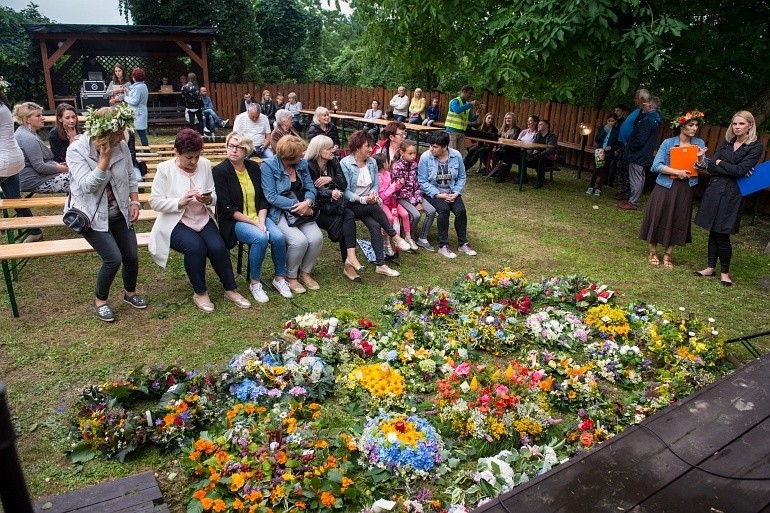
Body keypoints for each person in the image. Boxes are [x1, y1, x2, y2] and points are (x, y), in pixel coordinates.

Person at [149, 128, 252, 312]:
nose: (194, 161)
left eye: (197, 156)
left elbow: (213, 194)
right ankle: (200, 292)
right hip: (177, 222)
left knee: (218, 247)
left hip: (202, 218)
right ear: (177, 152)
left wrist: (209, 199)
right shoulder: (164, 169)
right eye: (189, 157)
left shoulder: (204, 164)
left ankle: (231, 289)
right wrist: (180, 202)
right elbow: (155, 202)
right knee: (196, 248)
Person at [66, 105, 147, 322]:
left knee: (131, 255)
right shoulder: (77, 150)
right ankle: (100, 301)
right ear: (104, 134)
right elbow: (86, 186)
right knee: (113, 258)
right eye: (119, 133)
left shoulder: (121, 146)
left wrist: (135, 202)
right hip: (90, 215)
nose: (123, 137)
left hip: (118, 210)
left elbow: (131, 176)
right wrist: (103, 162)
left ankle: (130, 293)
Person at [213, 132, 291, 302]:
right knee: (260, 238)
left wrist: (261, 221)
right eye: (230, 146)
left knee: (278, 237)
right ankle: (255, 283)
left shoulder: (254, 167)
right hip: (234, 220)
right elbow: (227, 208)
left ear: (246, 150)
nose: (233, 150)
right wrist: (254, 223)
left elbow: (263, 199)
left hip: (258, 216)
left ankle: (279, 278)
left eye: (238, 147)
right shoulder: (220, 171)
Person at [694, 111, 763, 286]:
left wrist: (720, 164)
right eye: (734, 124)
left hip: (733, 193)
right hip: (715, 189)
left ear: (750, 125)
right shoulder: (726, 143)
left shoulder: (755, 146)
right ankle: (710, 267)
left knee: (722, 232)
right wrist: (723, 166)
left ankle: (725, 272)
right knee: (712, 229)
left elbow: (740, 171)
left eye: (741, 124)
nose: (737, 127)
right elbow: (710, 166)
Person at [640, 110, 707, 270]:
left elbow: (703, 167)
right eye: (691, 125)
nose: (694, 128)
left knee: (678, 218)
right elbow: (656, 166)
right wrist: (677, 172)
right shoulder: (668, 143)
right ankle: (653, 251)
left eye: (696, 125)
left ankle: (669, 254)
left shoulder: (699, 143)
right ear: (681, 125)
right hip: (666, 185)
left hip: (686, 188)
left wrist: (699, 157)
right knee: (659, 215)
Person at [340, 130, 409, 276]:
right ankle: (394, 236)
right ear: (358, 147)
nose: (371, 150)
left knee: (375, 226)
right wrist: (364, 199)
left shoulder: (371, 162)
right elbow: (345, 191)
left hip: (368, 204)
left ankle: (381, 265)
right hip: (352, 204)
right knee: (373, 207)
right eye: (368, 146)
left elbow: (375, 185)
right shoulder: (345, 163)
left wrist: (373, 193)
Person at [260, 135, 324, 294]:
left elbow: (310, 188)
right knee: (299, 241)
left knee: (317, 238)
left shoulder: (301, 164)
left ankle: (305, 273)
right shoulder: (268, 166)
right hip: (279, 211)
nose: (303, 155)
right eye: (300, 153)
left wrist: (308, 203)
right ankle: (291, 277)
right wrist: (297, 206)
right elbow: (271, 196)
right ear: (289, 156)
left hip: (303, 208)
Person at [306, 135, 365, 282]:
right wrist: (329, 192)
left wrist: (331, 179)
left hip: (334, 206)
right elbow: (309, 191)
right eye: (328, 148)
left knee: (348, 215)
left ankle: (350, 260)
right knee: (347, 219)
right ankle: (349, 263)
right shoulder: (307, 165)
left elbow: (343, 184)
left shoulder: (333, 162)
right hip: (316, 209)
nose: (333, 150)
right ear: (319, 150)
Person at [418, 131, 476, 258]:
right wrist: (438, 195)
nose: (431, 149)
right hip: (433, 192)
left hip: (451, 191)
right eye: (430, 145)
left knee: (461, 211)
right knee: (443, 210)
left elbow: (461, 176)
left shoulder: (456, 156)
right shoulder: (425, 157)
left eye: (435, 147)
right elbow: (422, 181)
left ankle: (463, 244)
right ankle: (443, 246)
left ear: (445, 147)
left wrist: (456, 193)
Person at [0, 82, 40, 242]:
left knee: (13, 197)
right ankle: (35, 231)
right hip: (13, 158)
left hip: (4, 160)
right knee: (13, 197)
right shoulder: (3, 105)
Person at [13, 102, 69, 194]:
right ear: (27, 119)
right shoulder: (27, 138)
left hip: (36, 178)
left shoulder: (27, 133)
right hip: (35, 181)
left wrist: (58, 166)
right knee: (80, 181)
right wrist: (67, 169)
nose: (43, 118)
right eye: (38, 115)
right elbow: (40, 167)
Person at [392, 138, 437, 251]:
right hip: (401, 197)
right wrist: (415, 202)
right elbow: (401, 190)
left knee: (431, 211)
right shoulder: (397, 167)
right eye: (410, 153)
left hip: (415, 196)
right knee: (416, 215)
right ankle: (408, 238)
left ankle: (423, 238)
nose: (413, 156)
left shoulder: (414, 165)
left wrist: (419, 200)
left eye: (415, 153)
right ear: (402, 152)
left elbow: (417, 184)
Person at [620, 96, 663, 210]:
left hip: (638, 153)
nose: (642, 107)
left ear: (650, 106)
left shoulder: (648, 120)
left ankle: (633, 202)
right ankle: (633, 199)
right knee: (639, 177)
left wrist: (631, 147)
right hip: (643, 153)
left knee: (636, 177)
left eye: (644, 105)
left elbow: (641, 139)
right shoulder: (654, 118)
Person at [616, 89, 650, 201]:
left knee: (628, 170)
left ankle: (629, 194)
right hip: (625, 145)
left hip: (631, 146)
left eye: (636, 98)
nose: (634, 100)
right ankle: (624, 191)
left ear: (641, 99)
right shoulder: (638, 110)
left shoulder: (644, 113)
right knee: (622, 168)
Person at [375, 153, 413, 255]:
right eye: (387, 162)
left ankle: (408, 237)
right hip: (383, 203)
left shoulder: (387, 174)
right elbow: (381, 196)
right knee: (390, 219)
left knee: (405, 214)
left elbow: (393, 188)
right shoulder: (377, 178)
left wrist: (399, 184)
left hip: (392, 201)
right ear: (383, 164)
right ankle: (386, 242)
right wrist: (392, 188)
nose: (389, 163)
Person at [587, 114, 620, 197]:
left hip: (608, 153)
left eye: (612, 121)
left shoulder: (617, 131)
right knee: (596, 169)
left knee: (604, 171)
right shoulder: (602, 128)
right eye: (609, 121)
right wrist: (605, 131)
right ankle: (591, 187)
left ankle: (599, 188)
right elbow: (597, 139)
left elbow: (617, 144)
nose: (610, 123)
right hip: (600, 151)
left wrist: (611, 148)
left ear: (615, 122)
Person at [487, 112, 522, 182]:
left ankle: (501, 176)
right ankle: (495, 172)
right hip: (502, 148)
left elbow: (513, 141)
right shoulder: (502, 129)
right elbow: (497, 139)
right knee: (496, 153)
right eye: (506, 118)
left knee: (505, 154)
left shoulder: (516, 129)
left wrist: (502, 145)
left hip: (513, 150)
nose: (507, 119)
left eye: (509, 118)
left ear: (513, 119)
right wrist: (496, 147)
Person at [444, 85, 479, 152]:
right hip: (452, 131)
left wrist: (476, 115)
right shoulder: (455, 101)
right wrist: (470, 104)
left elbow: (471, 119)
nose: (470, 96)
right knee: (452, 154)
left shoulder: (467, 104)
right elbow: (457, 110)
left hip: (462, 132)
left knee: (459, 155)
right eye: (470, 93)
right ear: (464, 92)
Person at [527, 119, 558, 189]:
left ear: (547, 126)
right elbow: (533, 145)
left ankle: (539, 182)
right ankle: (523, 177)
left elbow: (550, 149)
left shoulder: (552, 136)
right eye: (538, 125)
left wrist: (538, 155)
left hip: (548, 158)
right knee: (523, 156)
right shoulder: (538, 135)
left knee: (540, 159)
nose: (538, 126)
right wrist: (531, 154)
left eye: (540, 124)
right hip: (536, 155)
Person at [123, 67, 149, 146]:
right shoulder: (143, 86)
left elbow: (135, 101)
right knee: (142, 134)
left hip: (137, 113)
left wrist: (125, 97)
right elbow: (136, 96)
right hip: (142, 111)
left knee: (133, 134)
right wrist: (128, 92)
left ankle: (133, 151)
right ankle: (146, 150)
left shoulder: (137, 87)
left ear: (134, 78)